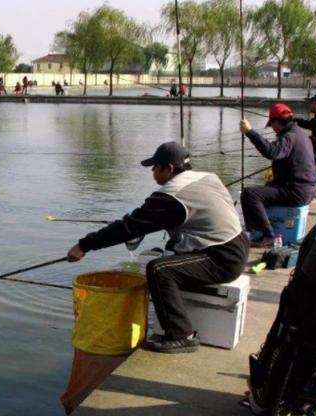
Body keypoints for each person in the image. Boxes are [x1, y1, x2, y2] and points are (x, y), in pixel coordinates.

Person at [67, 142, 249, 353]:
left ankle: (182, 335)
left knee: (159, 270)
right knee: (170, 251)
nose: (152, 171)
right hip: (238, 243)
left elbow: (127, 228)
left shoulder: (171, 196)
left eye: (155, 167)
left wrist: (83, 245)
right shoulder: (207, 177)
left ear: (169, 168)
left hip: (223, 259)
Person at [240, 103, 316, 247]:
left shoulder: (290, 137)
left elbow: (271, 152)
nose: (273, 129)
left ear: (276, 121)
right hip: (306, 190)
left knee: (249, 194)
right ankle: (259, 230)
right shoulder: (301, 135)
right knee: (265, 188)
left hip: (296, 192)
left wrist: (250, 132)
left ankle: (267, 235)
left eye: (272, 124)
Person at [294, 93, 316, 166]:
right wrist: (293, 120)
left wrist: (305, 139)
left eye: (312, 102)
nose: (309, 105)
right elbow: (308, 124)